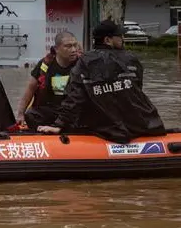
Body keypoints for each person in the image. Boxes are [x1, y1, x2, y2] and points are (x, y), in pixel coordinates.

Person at [38, 20, 166, 143]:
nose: (123, 38)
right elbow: (137, 91)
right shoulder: (131, 59)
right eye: (119, 36)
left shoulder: (85, 62)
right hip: (140, 124)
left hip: (105, 128)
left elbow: (75, 97)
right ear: (107, 40)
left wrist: (59, 124)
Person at [15, 31, 79, 130]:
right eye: (68, 46)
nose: (74, 50)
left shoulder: (82, 65)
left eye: (75, 45)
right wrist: (20, 114)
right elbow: (31, 88)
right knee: (31, 115)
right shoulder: (46, 64)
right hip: (51, 109)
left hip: (72, 110)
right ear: (56, 49)